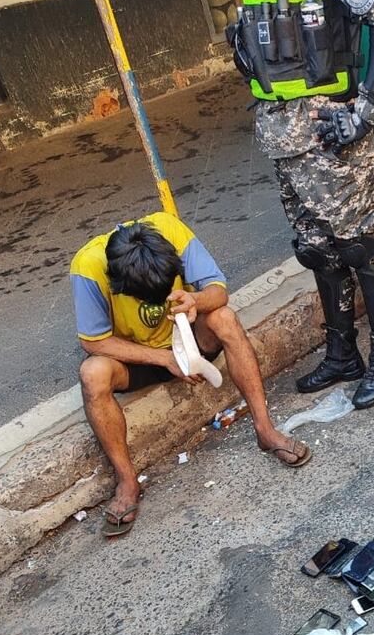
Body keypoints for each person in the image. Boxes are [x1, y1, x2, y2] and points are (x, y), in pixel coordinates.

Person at [226, 0, 374, 409]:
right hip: (281, 134)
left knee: (362, 246)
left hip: (328, 132)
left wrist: (363, 112)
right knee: (316, 249)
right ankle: (342, 353)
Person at [71, 212, 311, 538]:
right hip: (140, 359)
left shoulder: (170, 229)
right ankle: (127, 480)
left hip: (188, 340)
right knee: (92, 373)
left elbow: (219, 291)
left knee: (224, 317)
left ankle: (265, 430)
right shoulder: (88, 266)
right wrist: (163, 358)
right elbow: (93, 341)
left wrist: (195, 299)